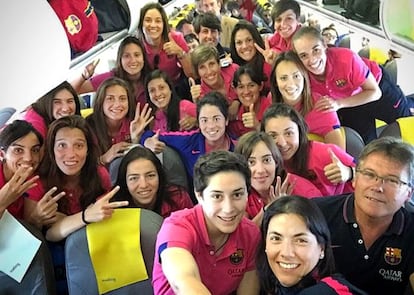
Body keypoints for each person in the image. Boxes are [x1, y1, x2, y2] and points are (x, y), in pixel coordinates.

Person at [313, 137, 414, 295]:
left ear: (408, 194)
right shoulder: (317, 213)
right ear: (355, 179)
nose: (377, 187)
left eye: (392, 180)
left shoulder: (411, 229)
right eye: (369, 174)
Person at [152, 150, 261, 295]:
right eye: (217, 196)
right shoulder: (176, 226)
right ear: (199, 196)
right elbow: (184, 281)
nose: (228, 208)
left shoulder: (251, 234)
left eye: (237, 194)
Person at [292, 26, 414, 143]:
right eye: (304, 55)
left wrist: (338, 104)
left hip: (376, 87)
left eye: (316, 50)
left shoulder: (346, 58)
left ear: (324, 45)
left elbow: (374, 92)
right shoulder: (301, 76)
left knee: (404, 123)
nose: (312, 60)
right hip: (347, 102)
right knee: (363, 142)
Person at [28, 115, 127, 242]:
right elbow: (41, 235)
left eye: (79, 145)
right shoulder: (37, 181)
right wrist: (36, 219)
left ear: (87, 150)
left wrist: (68, 220)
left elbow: (101, 221)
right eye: (62, 145)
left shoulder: (99, 175)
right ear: (51, 149)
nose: (70, 154)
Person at [257, 195, 368, 294]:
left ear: (322, 248)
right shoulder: (265, 284)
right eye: (276, 238)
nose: (286, 253)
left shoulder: (325, 292)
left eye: (301, 241)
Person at [140, 91, 236, 183]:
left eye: (216, 119)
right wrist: (148, 142)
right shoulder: (188, 141)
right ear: (198, 122)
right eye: (204, 120)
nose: (211, 126)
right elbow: (150, 135)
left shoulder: (238, 147)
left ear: (226, 120)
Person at [261, 103, 355, 196]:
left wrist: (349, 172)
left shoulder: (324, 153)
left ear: (300, 132)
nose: (282, 143)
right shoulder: (264, 166)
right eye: (273, 136)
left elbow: (365, 172)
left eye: (288, 133)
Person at [235, 131, 323, 224]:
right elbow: (244, 236)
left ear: (276, 162)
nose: (260, 170)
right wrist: (268, 209)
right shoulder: (240, 190)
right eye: (251, 162)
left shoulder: (304, 192)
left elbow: (317, 231)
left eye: (267, 160)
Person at [271, 50, 345, 149]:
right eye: (284, 78)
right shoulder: (270, 102)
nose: (291, 84)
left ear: (304, 77)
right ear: (275, 81)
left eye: (296, 76)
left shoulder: (322, 107)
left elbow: (338, 157)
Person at [0, 120, 63, 227]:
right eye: (18, 150)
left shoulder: (34, 180)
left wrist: (36, 218)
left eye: (35, 150)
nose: (28, 158)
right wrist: (2, 201)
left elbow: (30, 230)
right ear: (2, 154)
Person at [112, 145, 193, 218]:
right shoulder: (110, 206)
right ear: (124, 181)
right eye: (134, 178)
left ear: (159, 176)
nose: (143, 185)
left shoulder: (179, 198)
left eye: (150, 176)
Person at [71, 36, 152, 107]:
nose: (133, 60)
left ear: (143, 58)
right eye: (127, 56)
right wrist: (83, 76)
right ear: (120, 59)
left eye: (137, 55)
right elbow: (70, 91)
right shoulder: (110, 77)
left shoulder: (151, 79)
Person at [137, 2, 192, 90]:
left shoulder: (176, 38)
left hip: (176, 87)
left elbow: (191, 74)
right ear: (141, 24)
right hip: (150, 91)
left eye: (158, 21)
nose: (153, 25)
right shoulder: (137, 46)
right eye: (148, 20)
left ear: (164, 24)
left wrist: (180, 52)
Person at [85, 77, 136, 166]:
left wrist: (137, 139)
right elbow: (80, 166)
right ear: (101, 102)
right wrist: (104, 159)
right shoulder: (88, 126)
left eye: (122, 98)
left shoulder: (135, 123)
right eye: (110, 98)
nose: (117, 104)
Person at [189, 45, 240, 120]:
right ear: (198, 72)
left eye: (211, 64)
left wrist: (237, 100)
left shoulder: (234, 70)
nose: (209, 71)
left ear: (219, 64)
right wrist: (196, 103)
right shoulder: (201, 95)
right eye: (202, 67)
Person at [229, 65, 272, 138]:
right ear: (235, 90)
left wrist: (257, 126)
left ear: (260, 86)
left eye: (251, 85)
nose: (246, 92)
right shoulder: (235, 115)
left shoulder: (272, 109)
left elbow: (277, 145)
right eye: (241, 87)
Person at [229, 20, 272, 92]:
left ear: (256, 40)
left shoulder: (268, 65)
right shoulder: (232, 67)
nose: (245, 46)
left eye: (249, 40)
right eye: (239, 42)